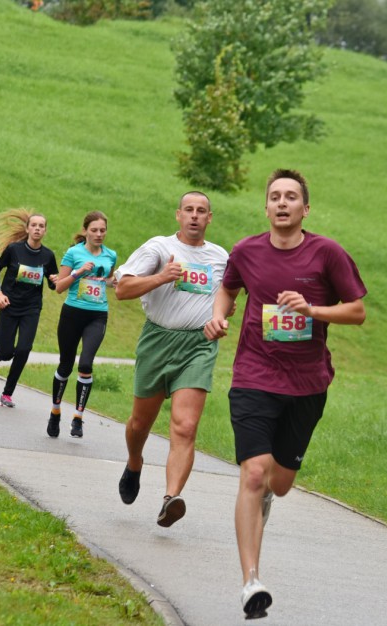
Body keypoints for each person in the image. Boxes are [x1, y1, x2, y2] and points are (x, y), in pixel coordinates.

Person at [203, 169, 367, 619]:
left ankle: (270, 493)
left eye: (291, 197)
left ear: (305, 209)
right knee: (252, 473)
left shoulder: (327, 253)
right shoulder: (246, 251)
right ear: (266, 207)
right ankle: (250, 581)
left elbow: (357, 311)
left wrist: (311, 309)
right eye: (274, 196)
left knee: (280, 482)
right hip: (254, 376)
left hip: (308, 384)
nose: (281, 203)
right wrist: (219, 316)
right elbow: (228, 290)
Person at [113, 191, 228, 528]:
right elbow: (122, 289)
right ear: (178, 215)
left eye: (202, 211)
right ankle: (135, 461)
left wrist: (221, 317)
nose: (195, 216)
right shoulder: (159, 248)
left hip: (198, 346)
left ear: (209, 218)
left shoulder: (221, 257)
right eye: (189, 210)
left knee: (185, 426)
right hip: (158, 340)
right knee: (139, 423)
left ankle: (170, 498)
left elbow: (227, 296)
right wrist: (162, 276)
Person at [48, 211, 117, 439]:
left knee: (86, 364)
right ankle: (55, 412)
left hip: (97, 316)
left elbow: (106, 280)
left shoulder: (110, 255)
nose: (99, 234)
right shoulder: (73, 253)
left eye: (102, 230)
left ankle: (78, 418)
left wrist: (112, 282)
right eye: (94, 230)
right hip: (72, 314)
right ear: (86, 230)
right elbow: (60, 287)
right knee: (66, 365)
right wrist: (78, 272)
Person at [0, 209, 59, 408]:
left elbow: (54, 284)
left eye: (41, 226)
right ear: (27, 229)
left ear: (45, 231)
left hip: (31, 308)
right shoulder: (14, 249)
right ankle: (1, 352)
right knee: (5, 352)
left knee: (24, 349)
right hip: (9, 305)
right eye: (34, 225)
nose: (37, 229)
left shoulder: (48, 256)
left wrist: (55, 280)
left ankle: (7, 393)